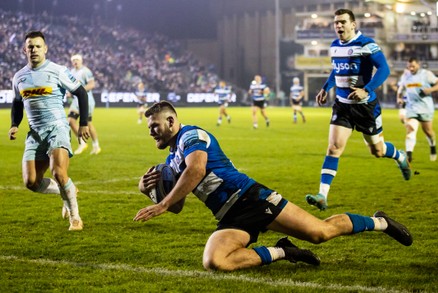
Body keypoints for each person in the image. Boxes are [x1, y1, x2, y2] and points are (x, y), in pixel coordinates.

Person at [133, 100, 413, 272]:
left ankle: (381, 222)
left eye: (154, 126)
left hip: (251, 198)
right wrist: (152, 191)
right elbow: (179, 206)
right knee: (215, 262)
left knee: (320, 232)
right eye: (148, 129)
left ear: (171, 121)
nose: (150, 132)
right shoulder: (172, 158)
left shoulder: (190, 135)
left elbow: (197, 169)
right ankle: (283, 251)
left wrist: (162, 202)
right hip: (229, 215)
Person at [305, 9, 411, 211]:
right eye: (336, 22)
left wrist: (366, 89)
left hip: (365, 107)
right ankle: (322, 195)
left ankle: (400, 156)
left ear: (353, 24)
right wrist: (326, 88)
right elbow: (337, 71)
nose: (338, 26)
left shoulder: (366, 44)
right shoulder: (335, 46)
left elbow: (384, 69)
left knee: (377, 151)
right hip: (343, 105)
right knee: (334, 148)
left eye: (343, 22)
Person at [9, 31, 90, 231]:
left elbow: (81, 92)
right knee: (31, 182)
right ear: (24, 50)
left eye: (38, 46)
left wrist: (83, 123)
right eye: (30, 46)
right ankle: (68, 190)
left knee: (59, 172)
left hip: (57, 128)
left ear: (45, 49)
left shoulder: (58, 70)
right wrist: (14, 124)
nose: (34, 50)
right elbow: (17, 103)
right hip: (35, 134)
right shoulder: (19, 77)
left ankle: (76, 218)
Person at [397, 57, 438, 162]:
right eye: (409, 66)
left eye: (413, 66)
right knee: (410, 129)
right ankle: (409, 156)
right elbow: (401, 87)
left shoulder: (426, 74)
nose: (411, 68)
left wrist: (430, 89)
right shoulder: (406, 75)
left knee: (428, 132)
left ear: (418, 65)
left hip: (425, 108)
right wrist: (398, 97)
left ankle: (432, 146)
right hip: (411, 108)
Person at [67, 54, 101, 155]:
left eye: (77, 60)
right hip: (76, 101)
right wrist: (70, 92)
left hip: (87, 100)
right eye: (73, 60)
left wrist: (79, 91)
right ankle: (82, 143)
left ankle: (96, 146)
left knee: (88, 124)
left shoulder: (86, 71)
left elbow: (91, 85)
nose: (75, 62)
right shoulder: (72, 72)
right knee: (70, 120)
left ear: (81, 61)